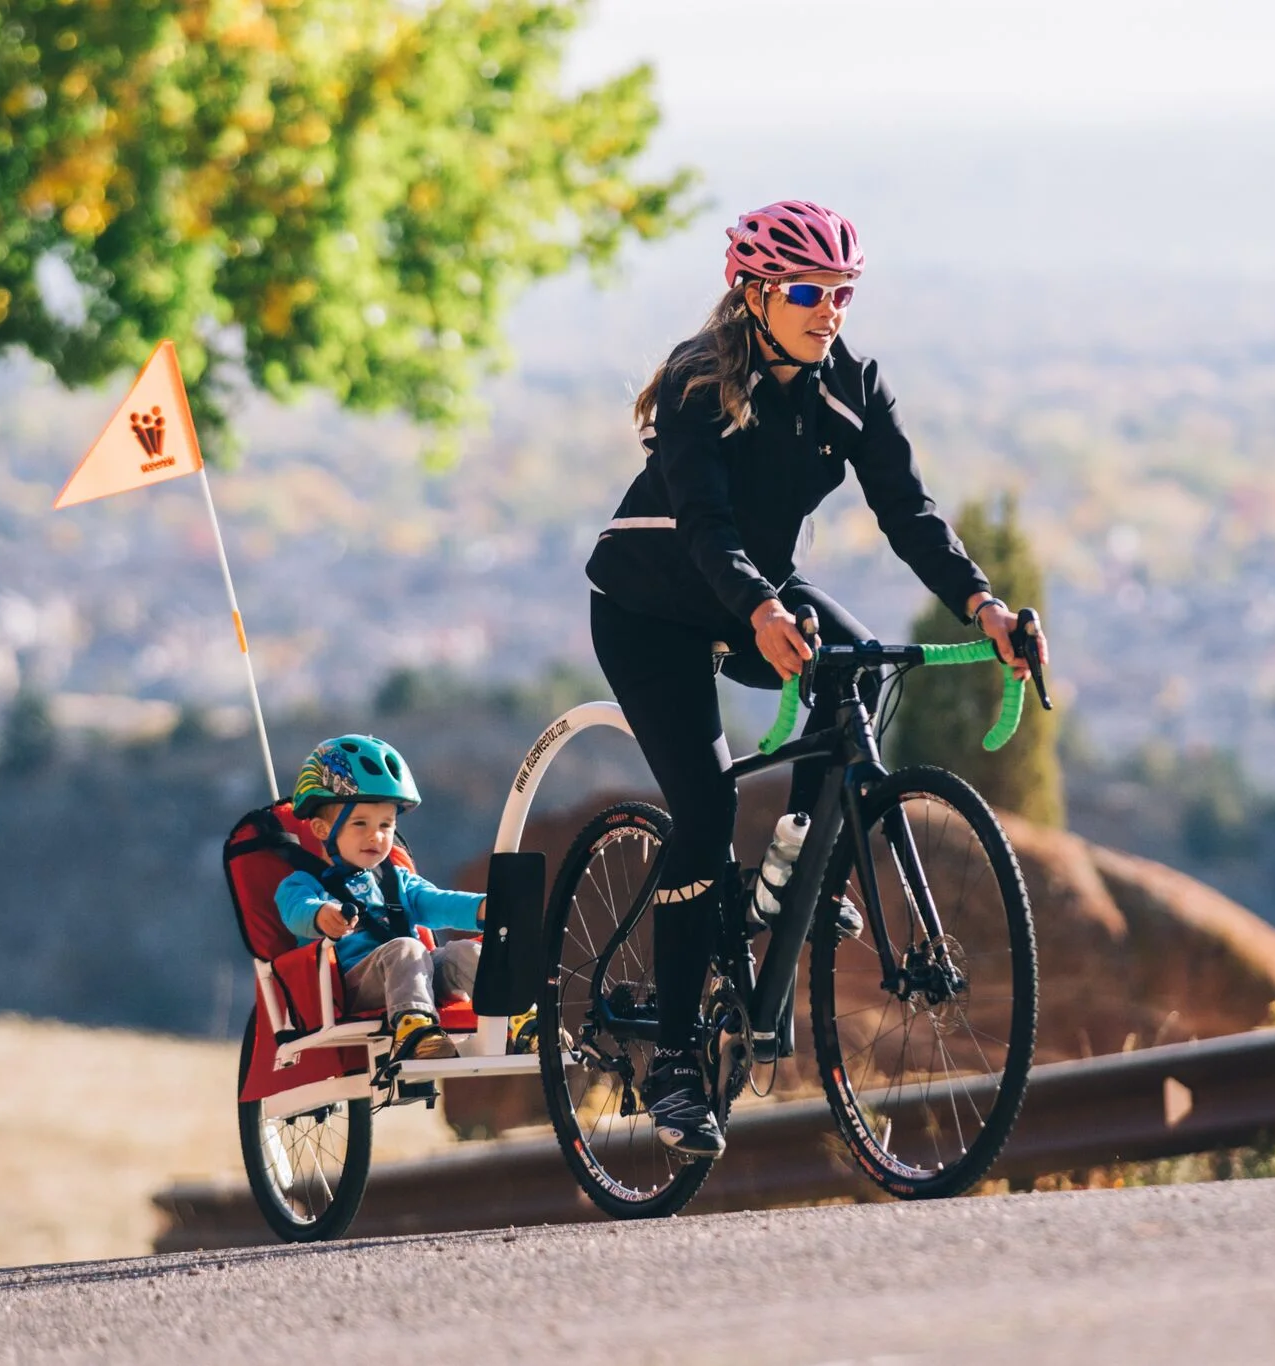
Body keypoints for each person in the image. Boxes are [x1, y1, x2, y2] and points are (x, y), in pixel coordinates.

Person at [585, 200, 1046, 1156]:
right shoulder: (697, 383)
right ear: (754, 292)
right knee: (705, 813)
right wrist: (759, 608)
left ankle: (792, 863)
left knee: (862, 668)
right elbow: (706, 525)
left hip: (756, 594)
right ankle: (673, 1060)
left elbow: (910, 513)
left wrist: (985, 608)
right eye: (807, 291)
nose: (829, 309)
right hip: (653, 606)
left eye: (842, 293)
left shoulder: (852, 387)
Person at [275, 735, 491, 1062]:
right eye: (360, 823)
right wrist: (321, 916)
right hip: (354, 988)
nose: (376, 835)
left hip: (414, 974)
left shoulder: (396, 880)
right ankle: (416, 1034)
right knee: (407, 947)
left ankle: (520, 1019)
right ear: (321, 830)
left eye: (386, 824)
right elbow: (295, 911)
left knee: (466, 952)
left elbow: (437, 902)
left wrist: (483, 908)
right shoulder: (304, 883)